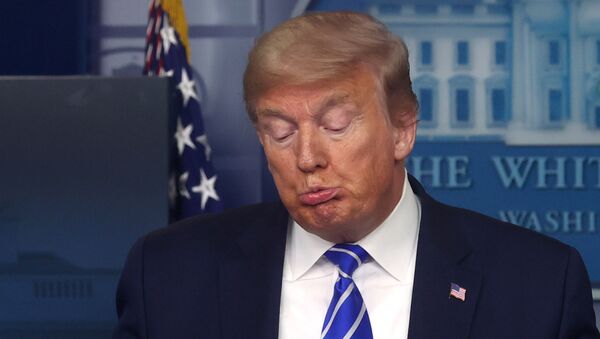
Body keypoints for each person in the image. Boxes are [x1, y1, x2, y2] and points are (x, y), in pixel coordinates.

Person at [113, 11, 599, 339]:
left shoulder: (537, 288)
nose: (307, 157)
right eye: (280, 132)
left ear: (402, 130)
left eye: (336, 125)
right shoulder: (167, 277)